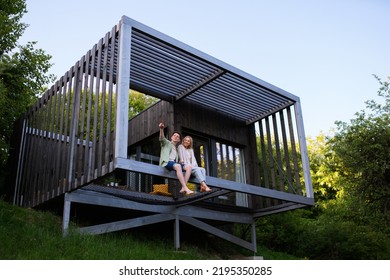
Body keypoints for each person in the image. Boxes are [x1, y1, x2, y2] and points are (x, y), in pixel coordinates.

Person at [158, 122, 194, 195]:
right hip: (167, 162)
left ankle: (183, 187)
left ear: (179, 140)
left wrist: (181, 161)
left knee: (189, 167)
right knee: (177, 166)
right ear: (171, 137)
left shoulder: (177, 150)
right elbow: (162, 138)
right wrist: (161, 129)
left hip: (174, 164)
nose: (176, 137)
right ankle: (185, 187)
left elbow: (177, 161)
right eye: (174, 135)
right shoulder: (167, 143)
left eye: (178, 137)